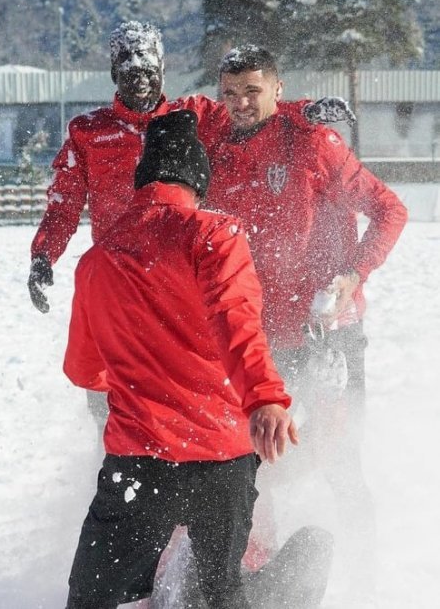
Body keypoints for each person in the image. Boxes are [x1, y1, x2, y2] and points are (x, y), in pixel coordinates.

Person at [27, 20, 353, 439]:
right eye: (128, 66)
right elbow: (64, 201)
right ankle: (119, 464)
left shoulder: (192, 116)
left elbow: (251, 111)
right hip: (119, 280)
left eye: (148, 67)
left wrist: (302, 111)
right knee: (116, 396)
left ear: (163, 70)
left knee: (191, 385)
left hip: (181, 278)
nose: (139, 76)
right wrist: (43, 254)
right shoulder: (88, 132)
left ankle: (205, 461)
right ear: (113, 72)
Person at [63, 109, 298, 609]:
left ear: (142, 178)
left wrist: (135, 365)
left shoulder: (96, 260)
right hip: (223, 457)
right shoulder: (216, 235)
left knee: (92, 596)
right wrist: (264, 397)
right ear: (197, 179)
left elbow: (84, 370)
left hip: (140, 460)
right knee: (223, 591)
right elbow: (239, 323)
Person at [206, 44, 408, 602]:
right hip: (255, 337)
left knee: (340, 462)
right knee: (247, 461)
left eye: (253, 90)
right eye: (230, 93)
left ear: (277, 87)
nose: (241, 103)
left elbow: (391, 209)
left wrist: (352, 274)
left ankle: (368, 582)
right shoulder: (216, 148)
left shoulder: (314, 142)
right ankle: (257, 576)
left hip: (328, 334)